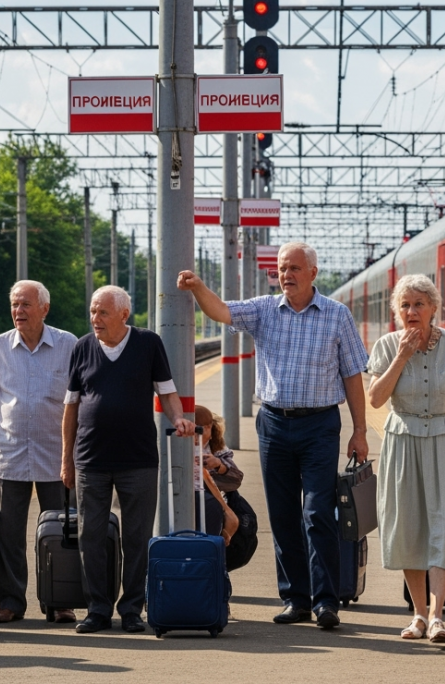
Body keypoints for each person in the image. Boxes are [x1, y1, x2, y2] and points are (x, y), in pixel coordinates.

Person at [179, 241, 369, 630]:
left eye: (295, 268)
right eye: (282, 268)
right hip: (274, 424)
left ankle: (326, 601)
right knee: (282, 514)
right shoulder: (265, 310)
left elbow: (352, 374)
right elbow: (222, 311)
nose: (286, 275)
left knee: (317, 512)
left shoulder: (337, 316)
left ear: (313, 273)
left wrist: (361, 430)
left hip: (320, 425)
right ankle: (295, 598)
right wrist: (199, 287)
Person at [62, 286, 195, 634]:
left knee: (137, 537)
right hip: (91, 459)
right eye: (92, 312)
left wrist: (178, 418)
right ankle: (97, 609)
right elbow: (71, 406)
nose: (95, 319)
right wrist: (67, 459)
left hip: (138, 459)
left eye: (102, 312)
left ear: (123, 314)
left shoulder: (148, 343)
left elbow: (167, 391)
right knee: (90, 537)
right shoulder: (82, 347)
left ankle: (132, 609)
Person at [365, 274, 445, 644]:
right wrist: (402, 355)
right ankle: (417, 614)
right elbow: (376, 399)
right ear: (397, 311)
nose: (411, 311)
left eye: (418, 304)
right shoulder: (386, 345)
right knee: (409, 526)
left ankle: (437, 616)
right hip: (403, 441)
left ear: (434, 308)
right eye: (405, 305)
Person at [0, 280, 78, 625]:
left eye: (26, 305)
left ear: (44, 308)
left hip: (57, 455)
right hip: (11, 454)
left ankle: (61, 601)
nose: (19, 311)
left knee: (63, 531)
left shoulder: (68, 345)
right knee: (9, 535)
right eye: (15, 305)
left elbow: (79, 398)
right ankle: (11, 602)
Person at [194, 405, 243, 536]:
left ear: (209, 428)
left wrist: (218, 465)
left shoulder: (217, 449)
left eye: (200, 428)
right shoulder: (175, 445)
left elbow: (236, 479)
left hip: (211, 500)